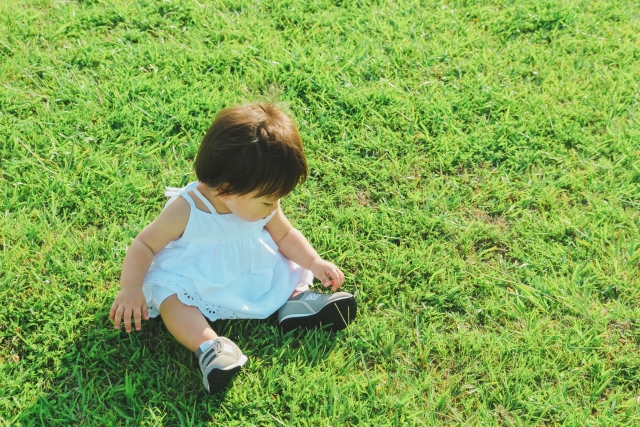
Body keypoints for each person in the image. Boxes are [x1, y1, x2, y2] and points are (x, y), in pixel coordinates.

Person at [109, 103, 357, 394]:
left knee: (282, 269)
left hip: (248, 266)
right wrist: (130, 287)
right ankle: (211, 347)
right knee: (172, 299)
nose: (275, 206)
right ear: (226, 190)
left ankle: (297, 302)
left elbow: (286, 235)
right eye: (268, 201)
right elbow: (144, 244)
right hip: (193, 276)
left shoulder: (261, 199)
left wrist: (314, 262)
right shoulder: (187, 210)